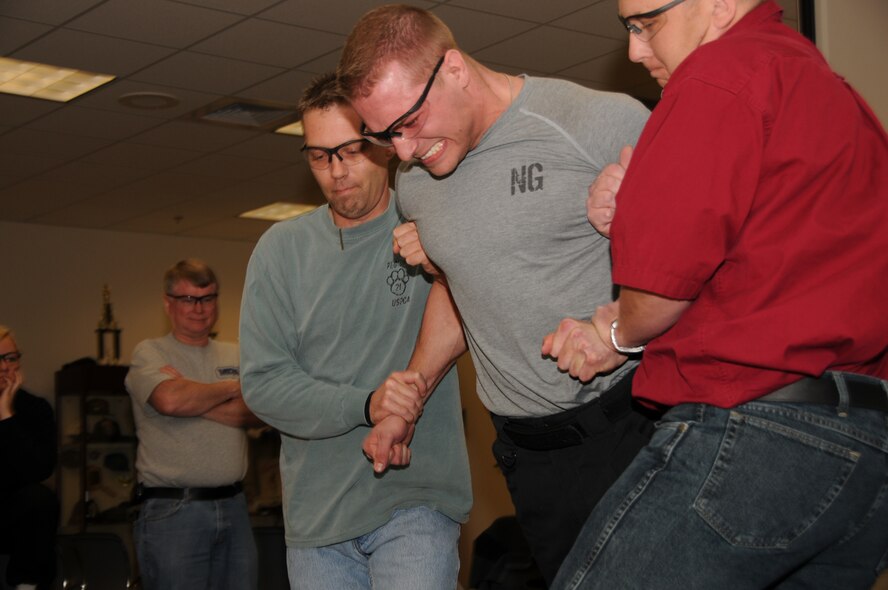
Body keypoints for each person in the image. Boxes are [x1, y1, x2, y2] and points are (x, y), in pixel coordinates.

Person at [544, 1, 888, 588]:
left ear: (720, 5)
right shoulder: (828, 88)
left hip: (761, 434)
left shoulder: (717, 72)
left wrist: (614, 333)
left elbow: (657, 297)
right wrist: (638, 209)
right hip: (867, 448)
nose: (633, 49)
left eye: (645, 23)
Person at [337, 5, 656, 583]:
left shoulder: (596, 122)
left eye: (409, 120)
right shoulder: (417, 186)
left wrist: (620, 337)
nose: (404, 150)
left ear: (454, 68)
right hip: (527, 454)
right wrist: (412, 393)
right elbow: (461, 291)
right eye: (384, 136)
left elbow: (704, 266)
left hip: (629, 426)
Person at [238, 72, 472, 590]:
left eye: (349, 150)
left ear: (386, 145)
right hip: (317, 519)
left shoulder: (431, 223)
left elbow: (483, 309)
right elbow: (264, 385)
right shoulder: (281, 251)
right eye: (319, 156)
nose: (336, 172)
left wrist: (443, 263)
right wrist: (366, 405)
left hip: (415, 498)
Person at [125, 259, 263, 590]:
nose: (199, 309)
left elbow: (258, 411)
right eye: (188, 299)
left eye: (208, 298)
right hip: (174, 510)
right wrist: (233, 389)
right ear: (168, 304)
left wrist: (193, 397)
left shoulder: (237, 353)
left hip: (234, 506)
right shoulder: (150, 353)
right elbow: (170, 401)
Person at [0, 326, 58, 590]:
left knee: (40, 498)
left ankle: (27, 585)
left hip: (14, 517)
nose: (4, 367)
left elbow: (39, 469)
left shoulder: (35, 408)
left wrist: (7, 417)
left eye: (10, 358)